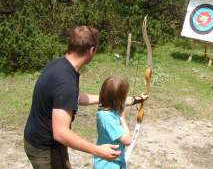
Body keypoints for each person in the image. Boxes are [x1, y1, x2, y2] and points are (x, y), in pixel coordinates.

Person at [23, 26, 120, 169]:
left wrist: (106, 99)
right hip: (44, 148)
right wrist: (98, 150)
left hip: (43, 141)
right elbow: (61, 133)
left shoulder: (61, 65)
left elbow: (72, 97)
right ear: (91, 50)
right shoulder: (66, 82)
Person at [93, 76, 148, 169]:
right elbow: (127, 140)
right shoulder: (107, 117)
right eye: (125, 95)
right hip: (108, 165)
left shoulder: (107, 106)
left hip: (114, 162)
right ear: (119, 99)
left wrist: (140, 98)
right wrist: (122, 117)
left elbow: (127, 101)